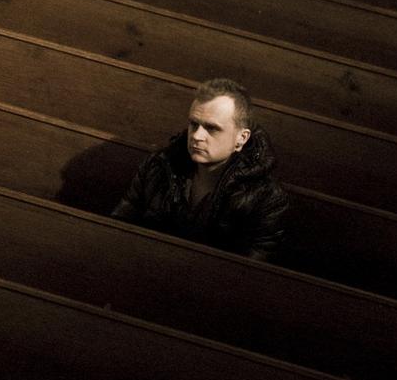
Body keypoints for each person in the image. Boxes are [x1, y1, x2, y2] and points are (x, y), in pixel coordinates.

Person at [112, 78, 288, 261]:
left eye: (212, 128)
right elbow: (118, 231)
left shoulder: (267, 199)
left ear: (241, 138)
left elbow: (248, 270)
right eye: (194, 124)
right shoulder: (157, 167)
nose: (197, 136)